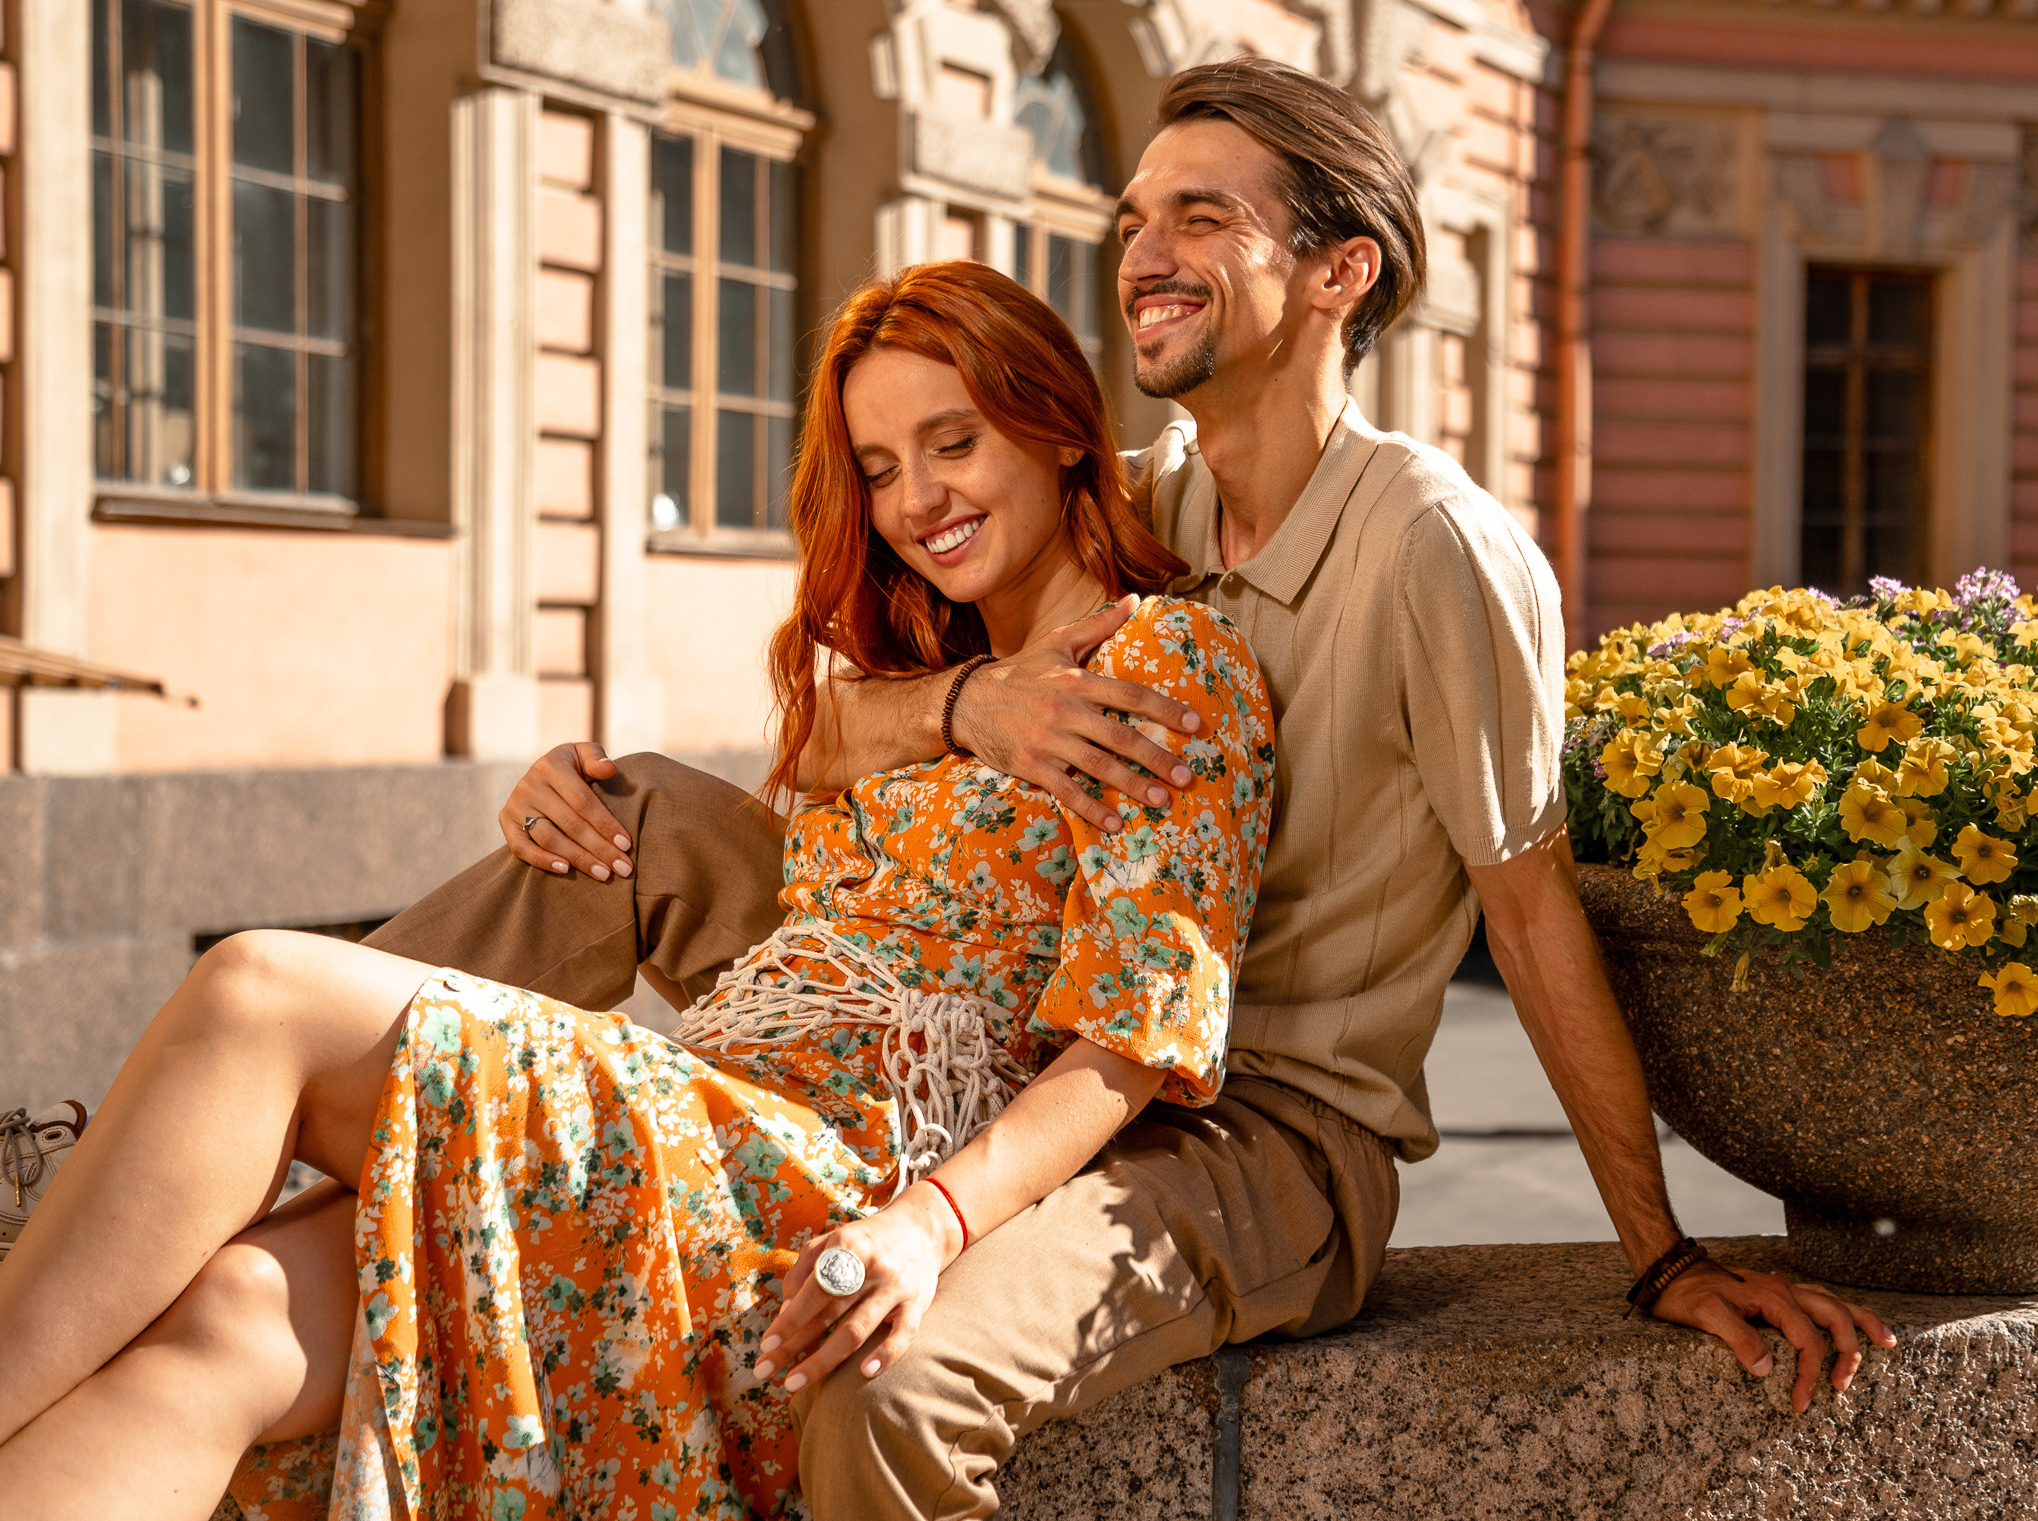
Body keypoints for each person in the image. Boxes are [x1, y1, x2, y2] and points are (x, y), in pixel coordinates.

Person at [474, 56, 1896, 1520]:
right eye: (1138, 214)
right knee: (622, 816)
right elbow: (825, 748)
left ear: (1341, 271)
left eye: (1202, 218)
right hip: (1014, 1026)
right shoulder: (1147, 498)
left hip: (1256, 1130)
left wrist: (1660, 1252)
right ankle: (280, 1152)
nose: (1144, 253)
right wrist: (972, 697)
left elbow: (1529, 916)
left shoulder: (1434, 550)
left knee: (894, 1381)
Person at [0, 263, 1276, 1521]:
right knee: (231, 1316)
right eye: (880, 469)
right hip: (702, 1109)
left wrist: (929, 1226)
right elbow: (816, 747)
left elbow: (1129, 1042)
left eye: (954, 443)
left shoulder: (1166, 660)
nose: (916, 500)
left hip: (817, 1178)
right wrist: (957, 703)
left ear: (1058, 428)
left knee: (255, 987)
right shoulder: (939, 675)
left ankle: (107, 1180)